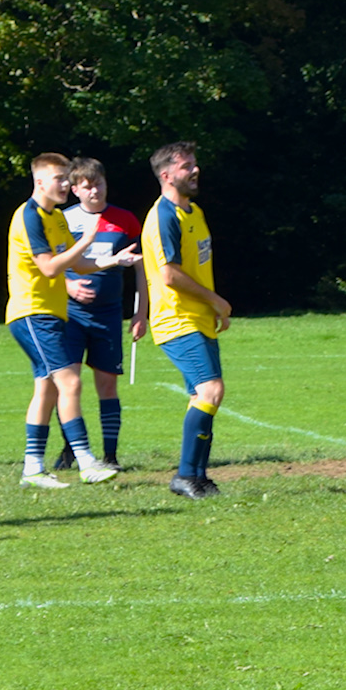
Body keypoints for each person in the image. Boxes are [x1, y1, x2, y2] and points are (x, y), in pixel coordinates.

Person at [5, 153, 119, 488]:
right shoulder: (30, 216)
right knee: (70, 382)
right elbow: (50, 268)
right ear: (39, 181)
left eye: (67, 178)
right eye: (60, 178)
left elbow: (79, 264)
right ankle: (86, 461)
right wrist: (86, 240)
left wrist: (114, 260)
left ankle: (33, 469)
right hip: (32, 313)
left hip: (50, 314)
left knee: (47, 388)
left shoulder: (55, 218)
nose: (66, 184)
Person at [142, 141, 232, 498]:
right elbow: (169, 275)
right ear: (166, 175)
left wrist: (211, 308)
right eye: (185, 166)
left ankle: (198, 476)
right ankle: (185, 475)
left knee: (201, 393)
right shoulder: (164, 216)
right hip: (176, 319)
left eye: (195, 163)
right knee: (211, 390)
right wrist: (216, 300)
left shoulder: (192, 213)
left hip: (197, 317)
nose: (195, 171)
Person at [58, 157, 145, 473]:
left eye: (98, 183)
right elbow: (45, 268)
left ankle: (110, 456)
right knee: (68, 384)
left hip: (108, 315)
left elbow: (140, 268)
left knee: (107, 385)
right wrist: (69, 286)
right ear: (75, 190)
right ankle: (72, 450)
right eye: (86, 185)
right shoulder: (62, 220)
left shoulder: (124, 220)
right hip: (68, 316)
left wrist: (140, 313)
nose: (94, 190)